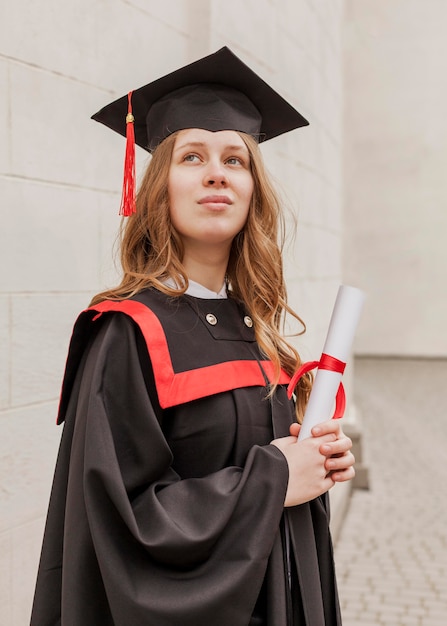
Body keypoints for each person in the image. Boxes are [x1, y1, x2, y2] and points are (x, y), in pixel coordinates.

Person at [30, 47, 355, 626]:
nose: (216, 173)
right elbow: (123, 525)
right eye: (193, 156)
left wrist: (313, 462)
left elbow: (272, 469)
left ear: (253, 189)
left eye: (236, 160)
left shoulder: (254, 329)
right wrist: (274, 479)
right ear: (159, 185)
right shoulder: (128, 333)